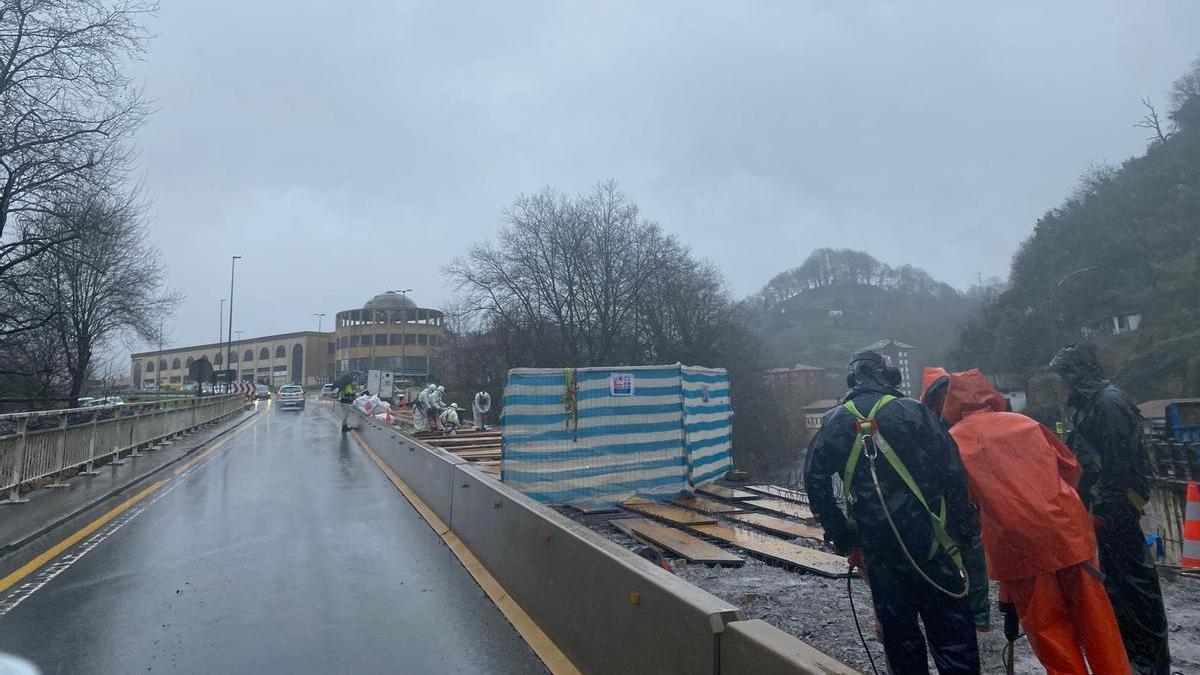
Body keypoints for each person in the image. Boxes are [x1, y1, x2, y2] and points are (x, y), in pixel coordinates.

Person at [942, 368, 1130, 674]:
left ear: (952, 404)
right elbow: (1070, 467)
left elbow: (960, 502)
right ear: (991, 395)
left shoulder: (952, 442)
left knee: (1050, 631)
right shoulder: (1026, 423)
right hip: (1068, 533)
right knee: (1097, 621)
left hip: (1017, 546)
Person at [805, 351, 980, 674]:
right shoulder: (914, 412)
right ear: (888, 376)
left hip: (880, 553)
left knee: (901, 645)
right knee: (953, 640)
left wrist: (845, 538)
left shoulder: (835, 423)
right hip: (934, 546)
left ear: (852, 381)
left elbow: (814, 482)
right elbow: (953, 473)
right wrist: (962, 532)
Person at [1050, 344, 1170, 674]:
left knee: (1135, 587)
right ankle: (1134, 658)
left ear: (1076, 374)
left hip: (1115, 510)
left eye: (1062, 377)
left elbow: (1119, 464)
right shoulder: (1090, 405)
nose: (1060, 385)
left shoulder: (1108, 403)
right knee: (1117, 587)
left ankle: (1150, 663)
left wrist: (1100, 507)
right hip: (1103, 510)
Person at [921, 367, 991, 633]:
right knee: (953, 554)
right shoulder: (932, 425)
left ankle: (979, 613)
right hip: (947, 500)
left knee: (972, 551)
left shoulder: (959, 423)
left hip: (964, 499)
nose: (945, 399)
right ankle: (960, 608)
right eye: (941, 394)